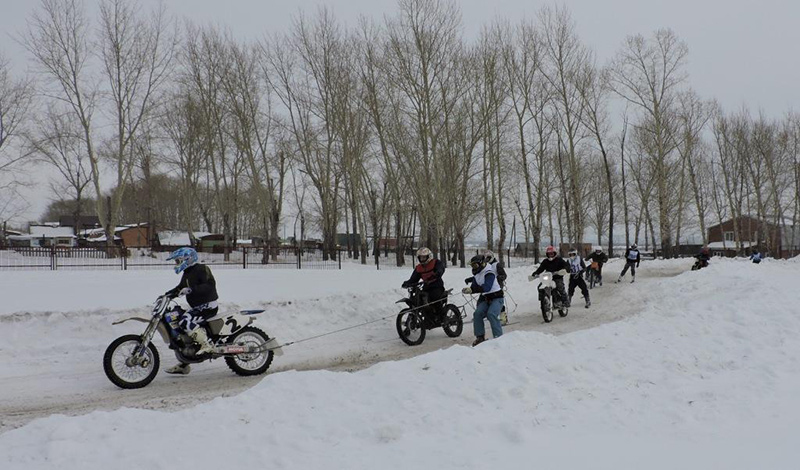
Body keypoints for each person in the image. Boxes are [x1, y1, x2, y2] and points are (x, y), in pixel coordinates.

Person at [164, 247, 219, 375]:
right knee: (178, 324)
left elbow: (209, 285)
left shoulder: (202, 269)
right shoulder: (187, 272)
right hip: (197, 307)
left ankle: (206, 345)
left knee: (185, 322)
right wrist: (169, 294)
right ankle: (185, 363)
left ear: (187, 259)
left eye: (178, 261)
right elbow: (181, 287)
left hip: (207, 306)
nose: (176, 264)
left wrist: (192, 290)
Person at [463, 253, 504, 346]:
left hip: (497, 297)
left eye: (475, 265)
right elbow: (474, 286)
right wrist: (469, 290)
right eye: (472, 265)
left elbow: (487, 287)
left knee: (491, 314)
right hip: (486, 298)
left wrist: (473, 290)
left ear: (481, 264)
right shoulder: (477, 274)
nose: (473, 267)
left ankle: (499, 337)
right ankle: (480, 337)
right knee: (477, 314)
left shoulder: (489, 273)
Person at [402, 247, 447, 324]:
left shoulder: (436, 262)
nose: (422, 259)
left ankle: (442, 318)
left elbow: (440, 269)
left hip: (437, 286)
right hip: (426, 287)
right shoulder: (419, 268)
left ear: (429, 256)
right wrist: (407, 283)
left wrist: (437, 274)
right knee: (417, 300)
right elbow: (414, 279)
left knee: (435, 299)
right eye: (421, 257)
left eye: (424, 257)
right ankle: (418, 320)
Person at [480, 250, 509, 324]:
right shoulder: (484, 266)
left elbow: (504, 275)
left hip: (497, 286)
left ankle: (503, 316)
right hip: (488, 286)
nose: (486, 260)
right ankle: (481, 314)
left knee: (498, 301)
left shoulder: (496, 265)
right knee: (483, 299)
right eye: (485, 259)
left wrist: (498, 278)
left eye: (488, 258)